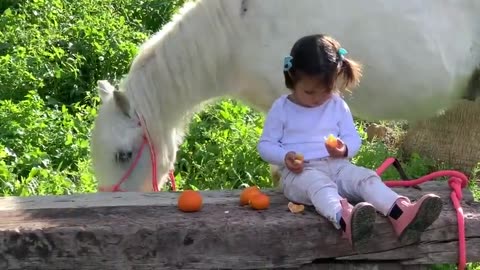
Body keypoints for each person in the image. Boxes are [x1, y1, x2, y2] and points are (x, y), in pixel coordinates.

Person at [257, 34, 443, 252]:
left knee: (366, 177)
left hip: (338, 167)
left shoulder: (336, 105)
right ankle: (345, 220)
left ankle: (401, 213)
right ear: (292, 79)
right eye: (309, 92)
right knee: (318, 184)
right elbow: (266, 145)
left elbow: (353, 138)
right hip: (300, 174)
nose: (317, 98)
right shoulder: (283, 108)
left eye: (325, 91)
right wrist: (284, 157)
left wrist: (343, 149)